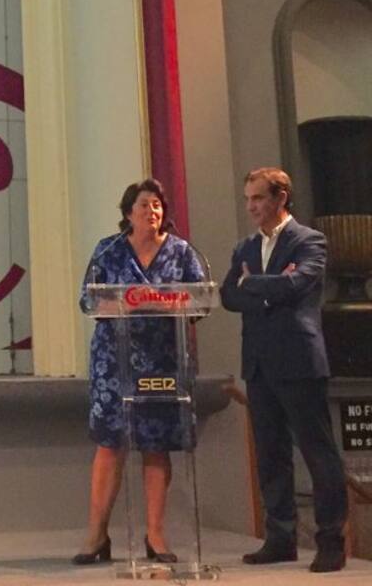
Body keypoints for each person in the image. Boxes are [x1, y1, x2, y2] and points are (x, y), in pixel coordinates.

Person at [221, 167, 347, 573]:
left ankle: (331, 541)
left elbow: (298, 285)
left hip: (298, 362)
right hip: (259, 364)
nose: (251, 207)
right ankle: (280, 538)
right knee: (271, 455)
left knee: (317, 453)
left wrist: (253, 284)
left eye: (258, 198)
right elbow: (228, 295)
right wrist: (268, 286)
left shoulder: (309, 240)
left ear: (281, 198)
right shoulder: (245, 246)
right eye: (248, 199)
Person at [73, 179, 204, 565]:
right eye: (145, 204)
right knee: (110, 443)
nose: (153, 211)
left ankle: (156, 536)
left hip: (164, 359)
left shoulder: (181, 252)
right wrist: (124, 303)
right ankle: (96, 534)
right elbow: (88, 300)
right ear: (128, 213)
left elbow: (201, 300)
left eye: (158, 205)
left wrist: (168, 301)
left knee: (155, 444)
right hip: (114, 361)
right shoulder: (108, 250)